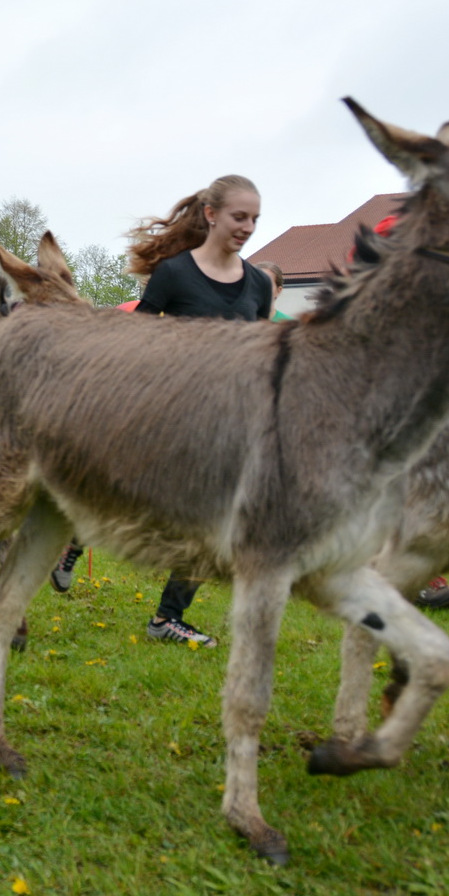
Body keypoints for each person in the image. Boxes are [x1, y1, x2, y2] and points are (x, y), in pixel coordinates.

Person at [121, 174, 274, 648]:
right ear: (211, 215)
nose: (248, 227)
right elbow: (134, 337)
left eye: (255, 219)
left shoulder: (258, 283)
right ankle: (75, 538)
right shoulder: (175, 273)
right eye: (239, 216)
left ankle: (168, 618)